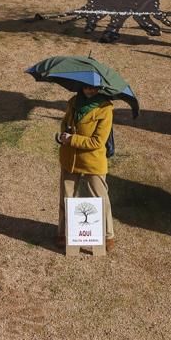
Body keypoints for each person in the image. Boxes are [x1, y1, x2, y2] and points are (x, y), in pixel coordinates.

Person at [56, 86, 116, 252]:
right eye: (87, 86)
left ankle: (108, 236)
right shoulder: (74, 102)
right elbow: (64, 123)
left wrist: (72, 139)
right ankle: (64, 233)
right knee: (66, 198)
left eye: (95, 88)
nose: (90, 90)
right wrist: (63, 134)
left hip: (92, 161)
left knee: (100, 199)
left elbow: (97, 142)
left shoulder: (105, 109)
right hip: (69, 158)